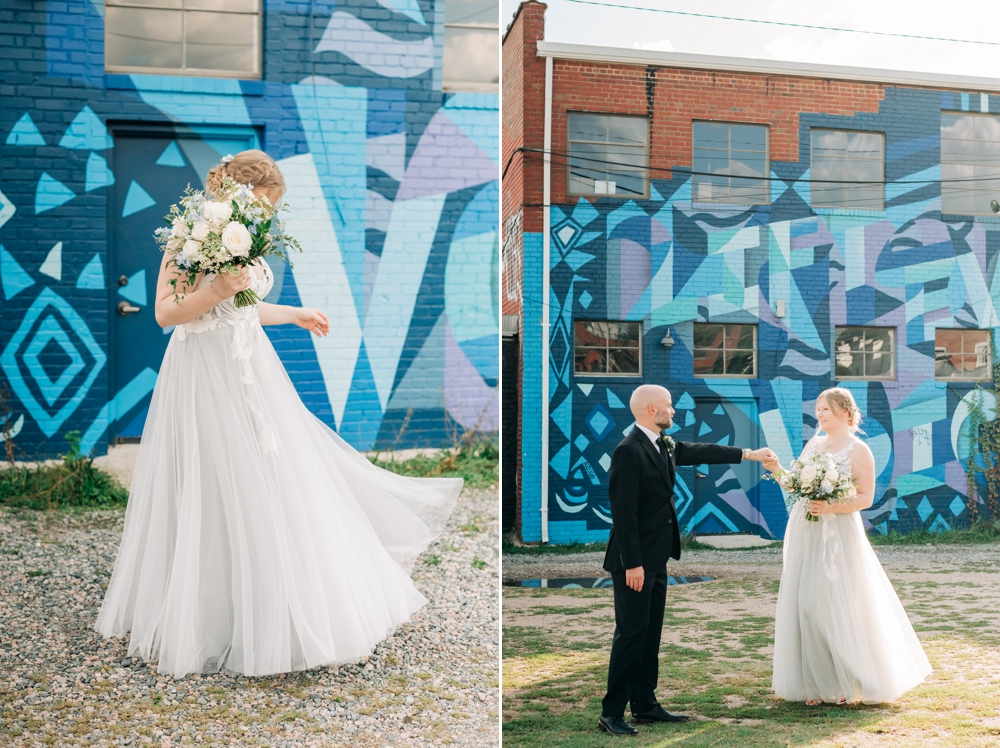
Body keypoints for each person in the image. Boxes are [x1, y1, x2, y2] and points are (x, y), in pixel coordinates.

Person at [95, 150, 462, 678]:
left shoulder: (247, 236)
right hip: (204, 374)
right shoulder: (189, 236)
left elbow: (242, 305)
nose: (267, 216)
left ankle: (282, 609)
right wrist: (216, 288)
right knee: (214, 481)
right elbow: (165, 312)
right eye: (265, 205)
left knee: (274, 479)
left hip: (250, 370)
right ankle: (211, 619)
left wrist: (294, 314)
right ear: (241, 195)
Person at [599, 384, 775, 735]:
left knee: (650, 634)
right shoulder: (628, 452)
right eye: (668, 406)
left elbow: (701, 451)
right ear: (651, 410)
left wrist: (750, 454)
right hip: (634, 563)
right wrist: (633, 563)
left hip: (658, 557)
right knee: (631, 634)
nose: (673, 411)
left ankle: (645, 705)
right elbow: (623, 514)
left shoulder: (662, 444)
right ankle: (612, 713)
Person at [764, 387, 931, 705]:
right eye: (818, 409)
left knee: (833, 604)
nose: (819, 414)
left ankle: (848, 682)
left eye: (824, 409)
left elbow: (865, 498)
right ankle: (814, 683)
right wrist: (777, 470)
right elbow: (797, 485)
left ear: (843, 411)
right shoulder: (814, 444)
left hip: (838, 533)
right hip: (806, 530)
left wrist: (830, 508)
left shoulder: (858, 451)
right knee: (805, 605)